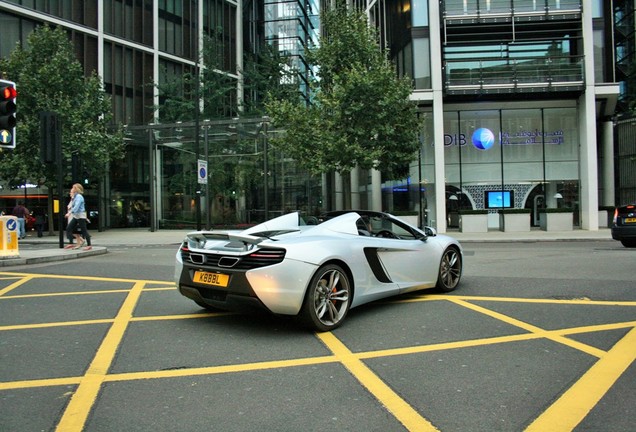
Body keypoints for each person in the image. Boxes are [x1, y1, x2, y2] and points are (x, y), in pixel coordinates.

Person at [65, 183, 92, 250]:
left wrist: (69, 213)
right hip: (76, 216)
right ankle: (74, 242)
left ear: (76, 189)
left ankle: (89, 245)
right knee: (69, 228)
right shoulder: (75, 197)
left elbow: (76, 207)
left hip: (80, 216)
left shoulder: (79, 197)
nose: (72, 189)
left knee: (84, 231)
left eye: (73, 188)